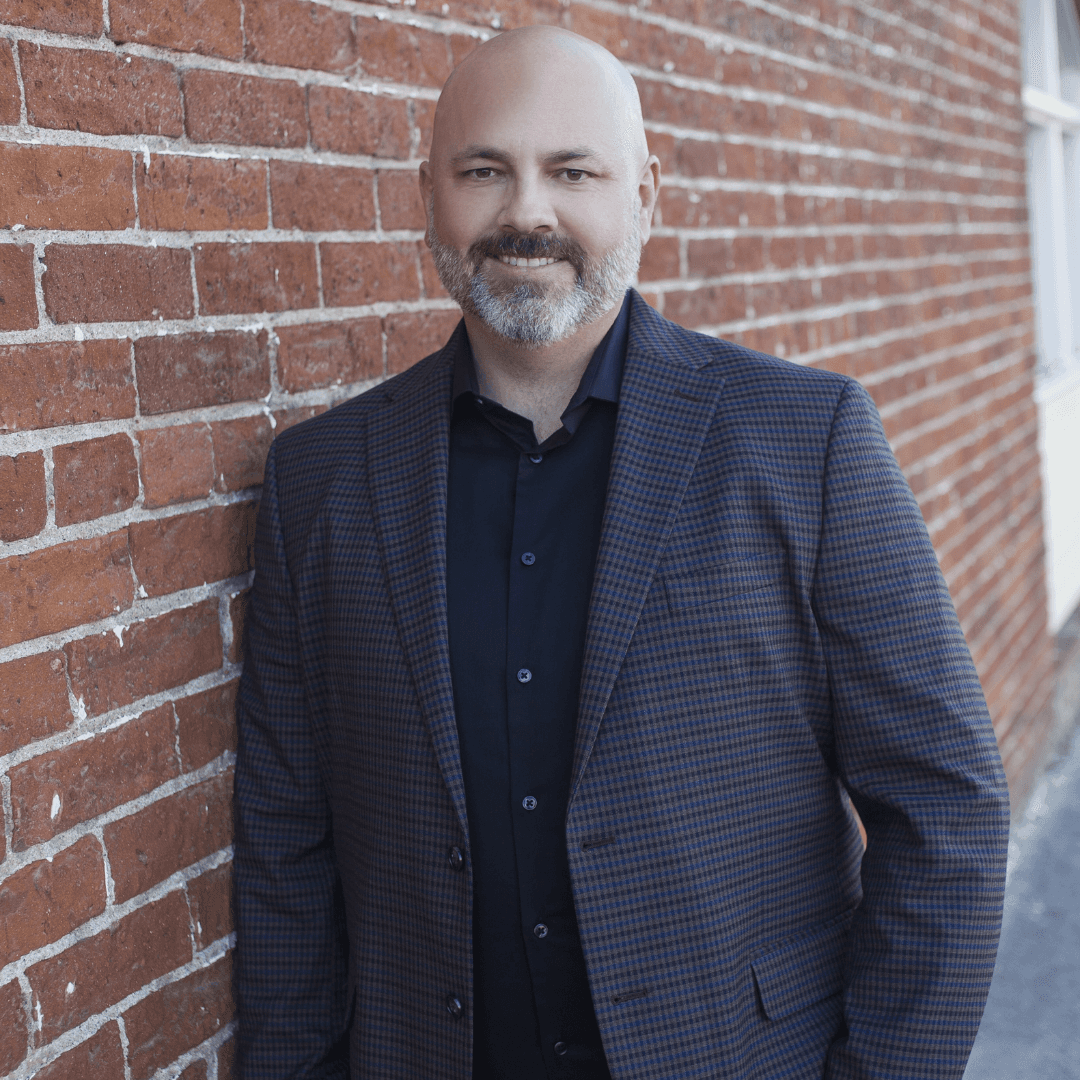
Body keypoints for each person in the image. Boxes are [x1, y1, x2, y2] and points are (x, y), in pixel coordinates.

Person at [234, 25, 1010, 1080]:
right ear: (429, 196)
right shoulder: (319, 482)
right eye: (483, 171)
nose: (526, 213)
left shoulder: (803, 440)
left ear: (646, 192)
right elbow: (288, 843)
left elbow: (945, 804)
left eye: (572, 171)